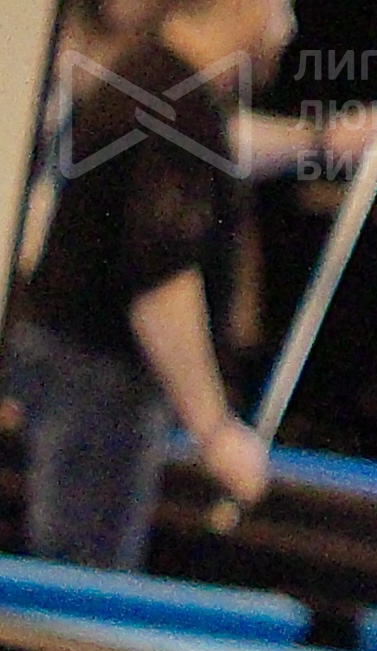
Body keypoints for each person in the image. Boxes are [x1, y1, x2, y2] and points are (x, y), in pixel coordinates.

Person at [3, 0, 308, 566]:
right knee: (85, 590)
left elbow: (226, 147)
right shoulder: (174, 101)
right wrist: (215, 432)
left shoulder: (161, 83)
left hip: (81, 374)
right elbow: (160, 283)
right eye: (280, 5)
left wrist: (326, 140)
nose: (288, 26)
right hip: (98, 385)